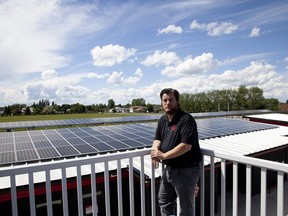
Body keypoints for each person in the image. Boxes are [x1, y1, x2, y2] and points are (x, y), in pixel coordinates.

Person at [150, 88, 202, 216]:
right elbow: (157, 139)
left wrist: (163, 155)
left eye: (170, 100)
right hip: (169, 169)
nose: (167, 103)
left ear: (177, 101)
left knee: (185, 208)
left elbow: (186, 146)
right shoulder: (162, 120)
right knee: (164, 201)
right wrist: (154, 152)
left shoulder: (186, 119)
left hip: (186, 171)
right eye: (165, 100)